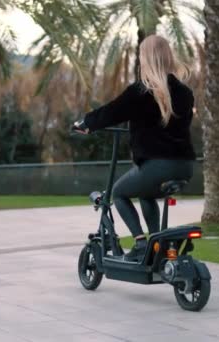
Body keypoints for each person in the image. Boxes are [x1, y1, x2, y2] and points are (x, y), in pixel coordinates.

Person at [72, 35, 196, 261]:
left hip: (158, 165)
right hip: (186, 166)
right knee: (145, 195)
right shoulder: (185, 93)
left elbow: (112, 111)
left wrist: (86, 124)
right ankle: (156, 245)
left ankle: (140, 244)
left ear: (146, 59)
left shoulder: (141, 92)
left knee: (118, 192)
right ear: (168, 57)